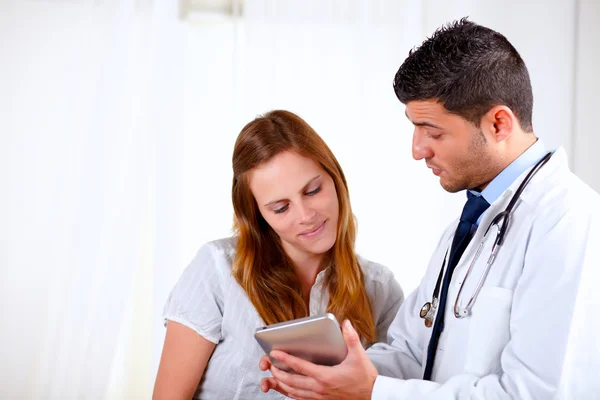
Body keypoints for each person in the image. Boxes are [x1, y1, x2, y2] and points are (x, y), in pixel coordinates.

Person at [258, 18, 600, 399]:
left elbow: (535, 394)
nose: (417, 149)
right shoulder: (471, 224)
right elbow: (411, 353)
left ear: (499, 123)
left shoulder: (568, 222)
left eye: (433, 132)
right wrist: (326, 375)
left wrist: (372, 392)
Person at [152, 110, 404, 399]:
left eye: (312, 190)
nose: (306, 215)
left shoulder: (380, 289)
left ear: (335, 179)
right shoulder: (218, 269)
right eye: (281, 208)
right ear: (257, 216)